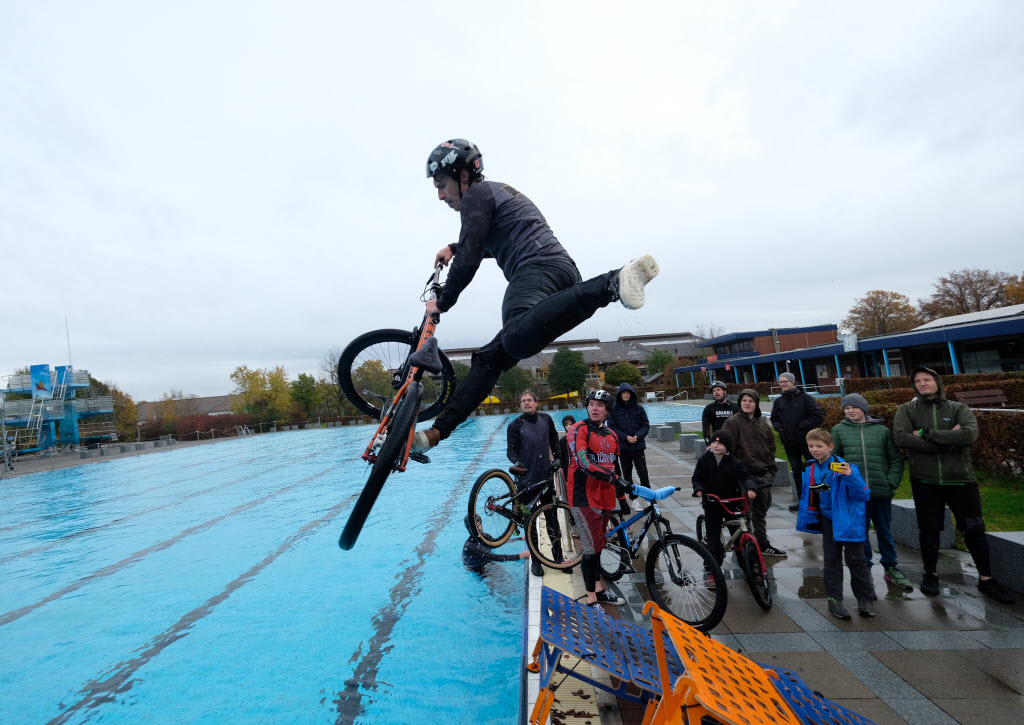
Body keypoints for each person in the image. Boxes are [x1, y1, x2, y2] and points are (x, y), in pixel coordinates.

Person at [413, 139, 659, 454]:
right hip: (562, 277)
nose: (440, 195)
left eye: (441, 184)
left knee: (514, 337)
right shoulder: (497, 192)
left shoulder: (476, 195)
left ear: (462, 176)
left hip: (537, 271)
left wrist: (442, 301)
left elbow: (471, 256)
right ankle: (436, 433)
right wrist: (454, 247)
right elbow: (491, 241)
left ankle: (612, 282)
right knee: (490, 360)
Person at [892, 366, 1014, 603]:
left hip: (960, 480)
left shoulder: (958, 408)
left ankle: (986, 578)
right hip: (925, 480)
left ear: (937, 381)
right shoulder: (907, 409)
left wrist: (925, 433)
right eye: (917, 381)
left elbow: (968, 435)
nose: (922, 384)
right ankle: (930, 574)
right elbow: (901, 437)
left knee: (974, 529)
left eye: (927, 379)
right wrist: (946, 443)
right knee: (929, 530)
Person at [831, 393, 911, 591]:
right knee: (861, 533)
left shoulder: (881, 431)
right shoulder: (838, 430)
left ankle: (891, 567)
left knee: (884, 530)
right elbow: (834, 462)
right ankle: (864, 567)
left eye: (854, 407)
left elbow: (895, 459)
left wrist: (890, 482)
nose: (850, 411)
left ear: (864, 409)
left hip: (880, 491)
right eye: (846, 408)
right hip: (855, 495)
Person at [798, 428, 877, 620]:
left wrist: (849, 475)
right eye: (811, 446)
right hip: (828, 519)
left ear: (830, 447)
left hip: (848, 521)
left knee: (856, 560)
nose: (815, 450)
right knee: (831, 560)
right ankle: (835, 599)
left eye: (819, 446)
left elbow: (863, 494)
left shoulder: (843, 466)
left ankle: (865, 599)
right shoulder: (811, 467)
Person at [566, 389, 627, 610]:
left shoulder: (612, 435)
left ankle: (599, 590)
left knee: (598, 547)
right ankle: (590, 599)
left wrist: (622, 497)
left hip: (606, 498)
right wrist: (611, 477)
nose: (594, 408)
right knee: (591, 550)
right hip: (583, 498)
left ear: (607, 410)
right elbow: (582, 461)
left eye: (599, 405)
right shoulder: (577, 429)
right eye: (591, 403)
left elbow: (615, 466)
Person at [722, 389, 786, 557]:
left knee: (761, 512)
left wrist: (771, 470)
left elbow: (772, 449)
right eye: (744, 400)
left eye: (751, 400)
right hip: (744, 476)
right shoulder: (733, 423)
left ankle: (762, 544)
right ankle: (748, 546)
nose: (747, 403)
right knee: (745, 515)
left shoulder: (762, 423)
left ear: (756, 403)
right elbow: (728, 451)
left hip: (764, 474)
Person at [506, 390, 562, 577]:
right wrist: (517, 462)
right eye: (523, 401)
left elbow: (554, 439)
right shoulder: (515, 425)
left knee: (552, 521)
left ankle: (559, 558)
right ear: (520, 405)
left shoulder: (546, 419)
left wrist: (558, 458)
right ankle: (536, 561)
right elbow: (510, 450)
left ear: (537, 403)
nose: (527, 403)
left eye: (530, 400)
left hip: (546, 479)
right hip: (525, 483)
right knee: (529, 524)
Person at [691, 429, 757, 574]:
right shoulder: (704, 460)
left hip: (731, 504)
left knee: (740, 539)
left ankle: (749, 569)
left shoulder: (735, 462)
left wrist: (750, 488)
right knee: (713, 543)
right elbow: (697, 477)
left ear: (727, 446)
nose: (715, 446)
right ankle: (712, 572)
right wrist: (698, 489)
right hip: (712, 504)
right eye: (714, 442)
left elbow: (746, 476)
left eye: (720, 443)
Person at [770, 372, 824, 512]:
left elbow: (817, 416)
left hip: (807, 442)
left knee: (813, 470)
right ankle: (802, 500)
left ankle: (819, 500)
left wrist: (801, 426)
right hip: (789, 443)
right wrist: (780, 428)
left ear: (792, 382)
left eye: (786, 381)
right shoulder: (778, 401)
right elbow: (774, 418)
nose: (783, 384)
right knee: (796, 471)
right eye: (781, 382)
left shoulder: (805, 398)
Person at [607, 382, 651, 488]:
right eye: (624, 393)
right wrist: (625, 437)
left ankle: (648, 497)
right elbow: (611, 427)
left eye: (628, 393)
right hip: (623, 447)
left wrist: (638, 436)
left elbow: (645, 425)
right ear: (620, 394)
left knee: (643, 473)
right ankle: (633, 498)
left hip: (638, 446)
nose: (626, 395)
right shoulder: (614, 409)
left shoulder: (639, 408)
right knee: (627, 474)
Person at [462, 514, 531, 572]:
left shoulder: (485, 536)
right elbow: (493, 557)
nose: (478, 529)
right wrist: (518, 556)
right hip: (477, 567)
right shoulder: (470, 546)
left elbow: (499, 542)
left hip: (487, 560)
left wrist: (519, 538)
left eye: (478, 525)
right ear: (469, 529)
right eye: (475, 527)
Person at [558, 415, 576, 482]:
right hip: (568, 468)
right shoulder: (563, 441)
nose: (569, 427)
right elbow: (562, 458)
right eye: (566, 425)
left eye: (570, 424)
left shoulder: (579, 438)